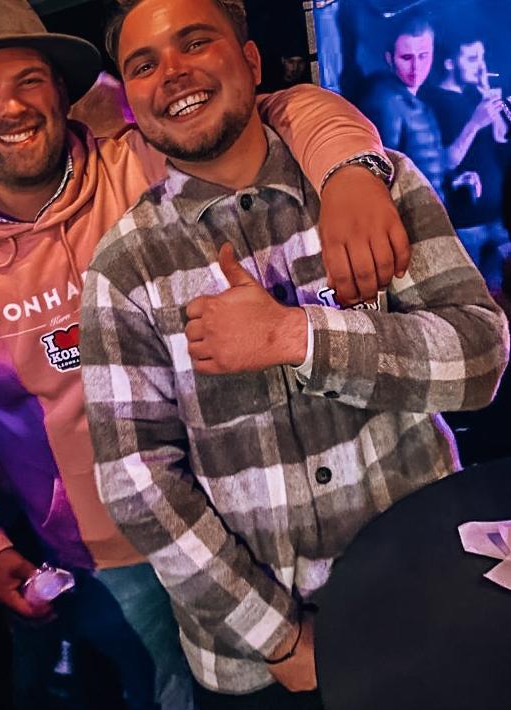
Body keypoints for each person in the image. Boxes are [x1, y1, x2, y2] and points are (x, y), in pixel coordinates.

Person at [0, 0, 412, 707]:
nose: (9, 107)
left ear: (63, 92)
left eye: (28, 81)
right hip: (100, 562)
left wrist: (353, 170)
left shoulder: (141, 164)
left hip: (249, 520)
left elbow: (277, 107)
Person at [80, 0, 510, 708]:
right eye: (144, 64)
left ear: (251, 62)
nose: (173, 73)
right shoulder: (122, 268)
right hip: (266, 664)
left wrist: (298, 337)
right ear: (130, 97)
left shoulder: (377, 184)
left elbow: (480, 358)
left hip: (429, 591)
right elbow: (137, 480)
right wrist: (277, 637)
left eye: (196, 42)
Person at [421, 31, 510, 291]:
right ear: (450, 62)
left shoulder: (475, 96)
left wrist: (487, 96)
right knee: (473, 296)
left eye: (481, 58)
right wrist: (474, 123)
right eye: (472, 59)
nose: (480, 66)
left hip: (498, 218)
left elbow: (502, 137)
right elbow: (445, 162)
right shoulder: (432, 101)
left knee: (502, 295)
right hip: (466, 224)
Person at [359, 14, 445, 196]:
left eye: (423, 56)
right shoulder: (386, 102)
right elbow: (382, 174)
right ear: (390, 59)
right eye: (407, 58)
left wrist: (454, 180)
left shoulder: (417, 102)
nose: (416, 67)